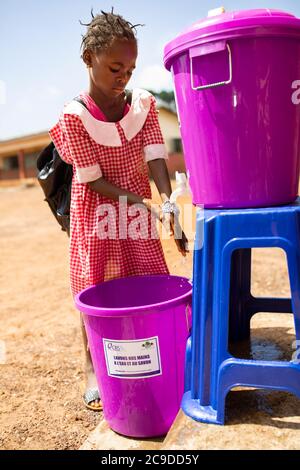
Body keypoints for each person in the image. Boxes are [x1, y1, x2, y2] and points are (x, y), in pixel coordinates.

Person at [48, 8, 188, 412]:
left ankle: (148, 357)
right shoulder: (74, 117)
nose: (122, 77)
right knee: (96, 287)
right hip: (96, 214)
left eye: (129, 68)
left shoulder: (141, 105)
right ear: (88, 57)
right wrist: (144, 203)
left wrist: (166, 206)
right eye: (113, 67)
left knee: (146, 277)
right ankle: (93, 366)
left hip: (138, 210)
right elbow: (92, 180)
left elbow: (156, 158)